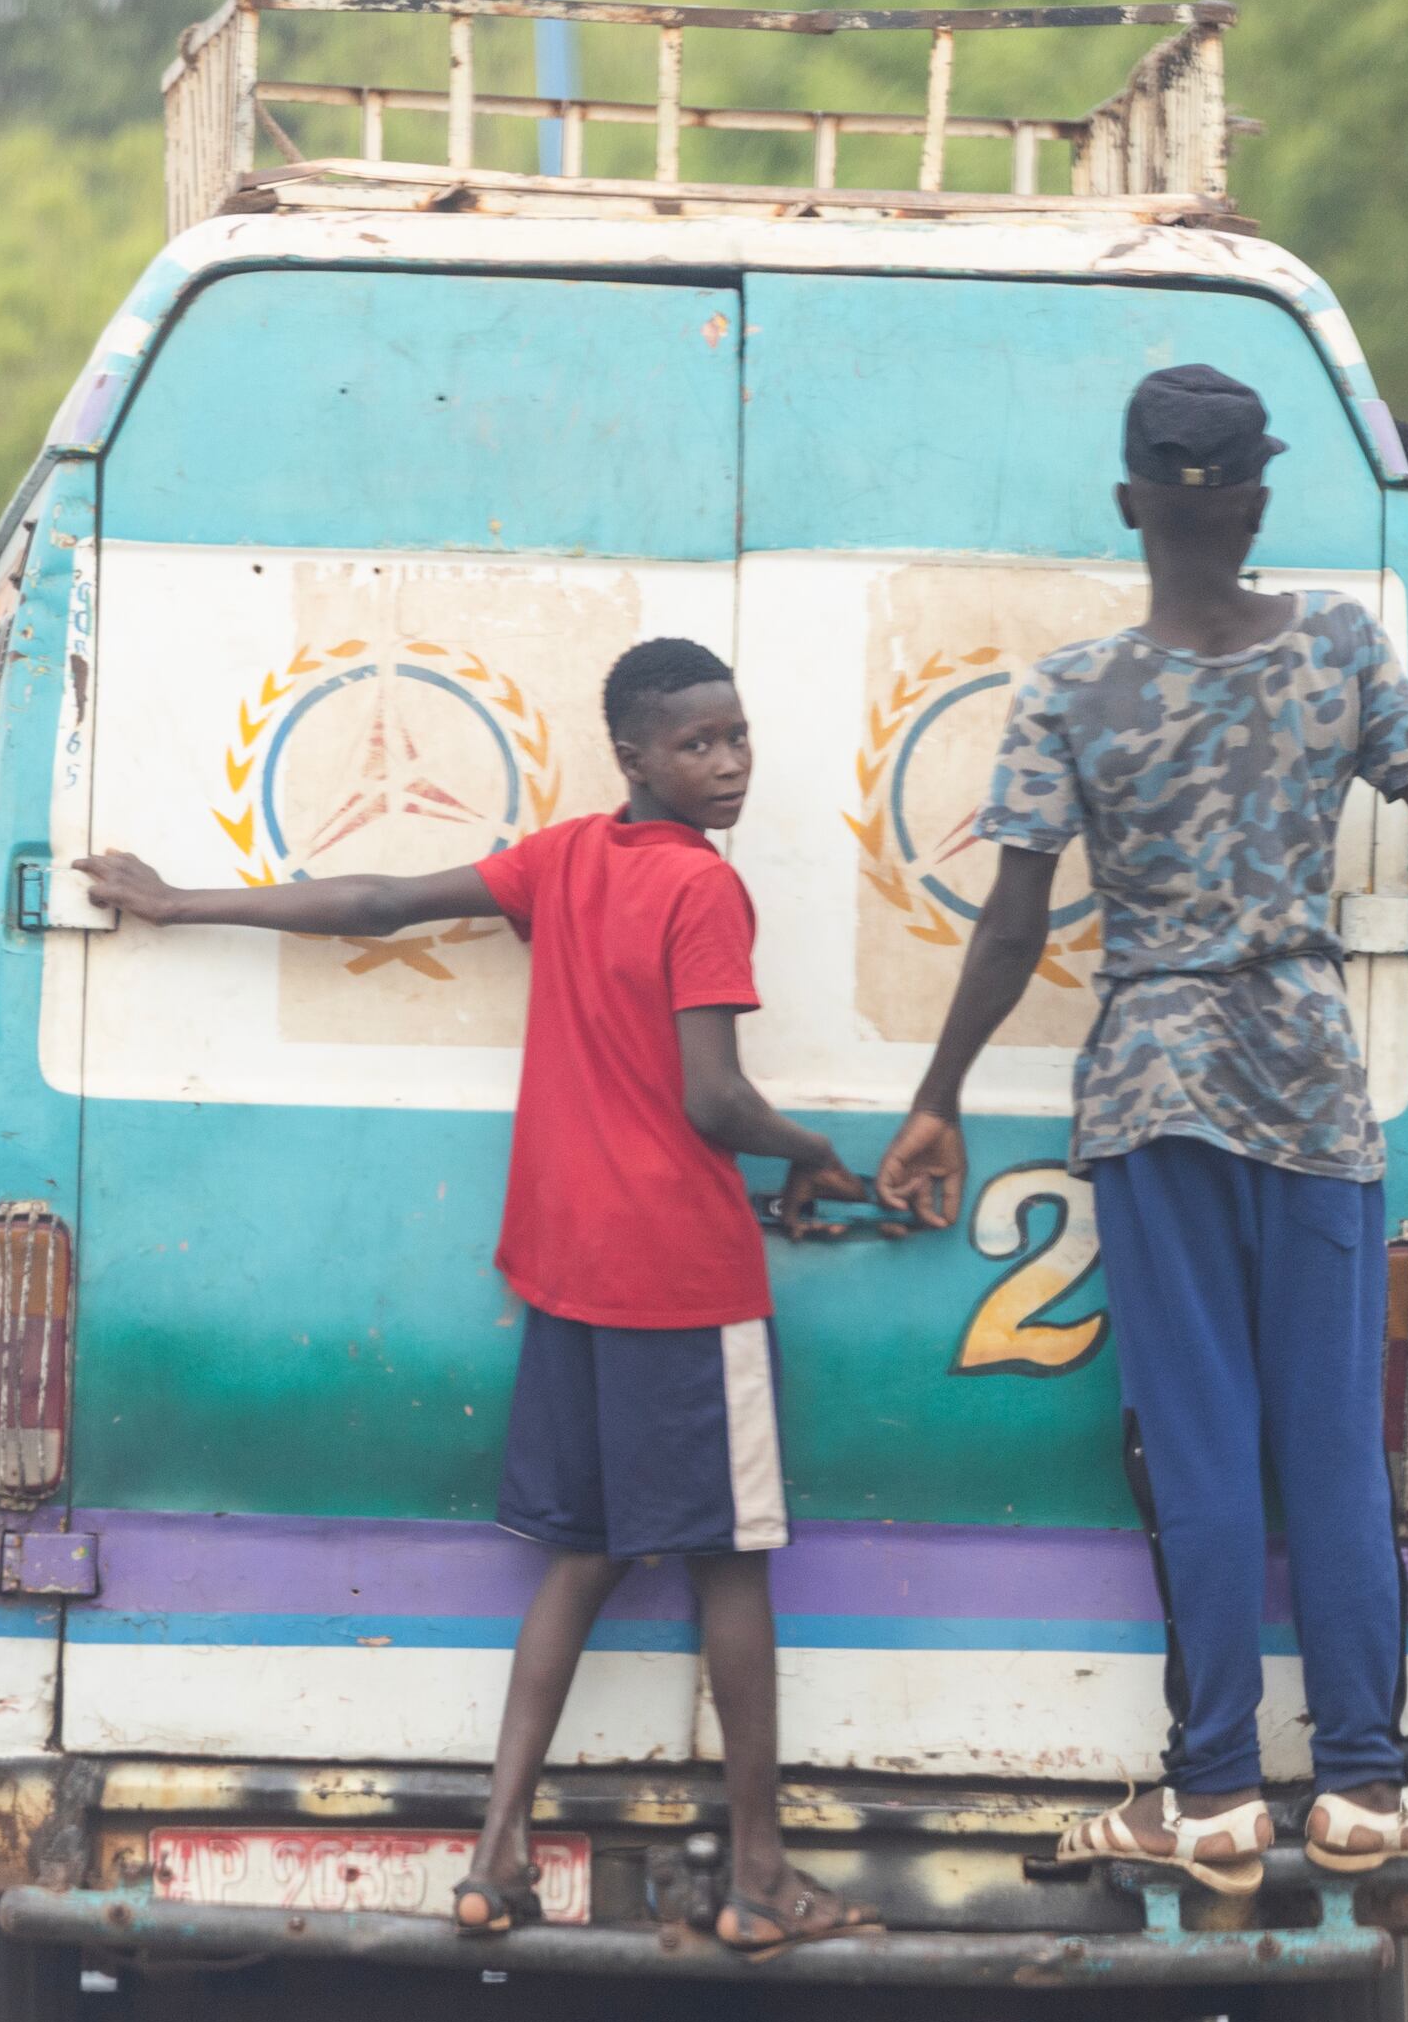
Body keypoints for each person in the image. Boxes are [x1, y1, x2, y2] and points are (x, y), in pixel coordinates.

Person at [80, 635, 883, 1953]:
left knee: (583, 1552)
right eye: (697, 742)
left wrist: (183, 903)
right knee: (731, 1559)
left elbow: (382, 899)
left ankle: (495, 1853)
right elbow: (713, 1098)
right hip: (683, 1274)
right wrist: (816, 1152)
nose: (728, 762)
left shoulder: (567, 857)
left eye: (737, 735)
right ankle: (757, 1877)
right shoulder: (702, 886)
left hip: (570, 1265)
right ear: (632, 754)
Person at [872, 362, 1408, 1899]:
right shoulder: (1340, 647)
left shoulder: (1072, 691)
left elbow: (1011, 924)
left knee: (1202, 1444)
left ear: (1130, 503)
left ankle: (1212, 1790)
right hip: (1306, 1076)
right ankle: (1363, 1783)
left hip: (1152, 1079)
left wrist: (937, 1095)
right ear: (1260, 499)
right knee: (1332, 1443)